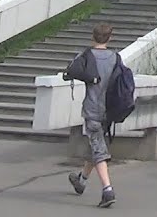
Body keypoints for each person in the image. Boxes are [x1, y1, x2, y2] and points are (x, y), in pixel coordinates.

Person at [68, 23, 120, 208]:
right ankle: (81, 180)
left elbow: (70, 71)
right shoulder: (115, 57)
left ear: (93, 37)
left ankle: (107, 190)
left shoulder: (87, 55)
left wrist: (89, 78)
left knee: (98, 149)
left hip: (92, 109)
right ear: (110, 38)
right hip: (109, 110)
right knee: (96, 143)